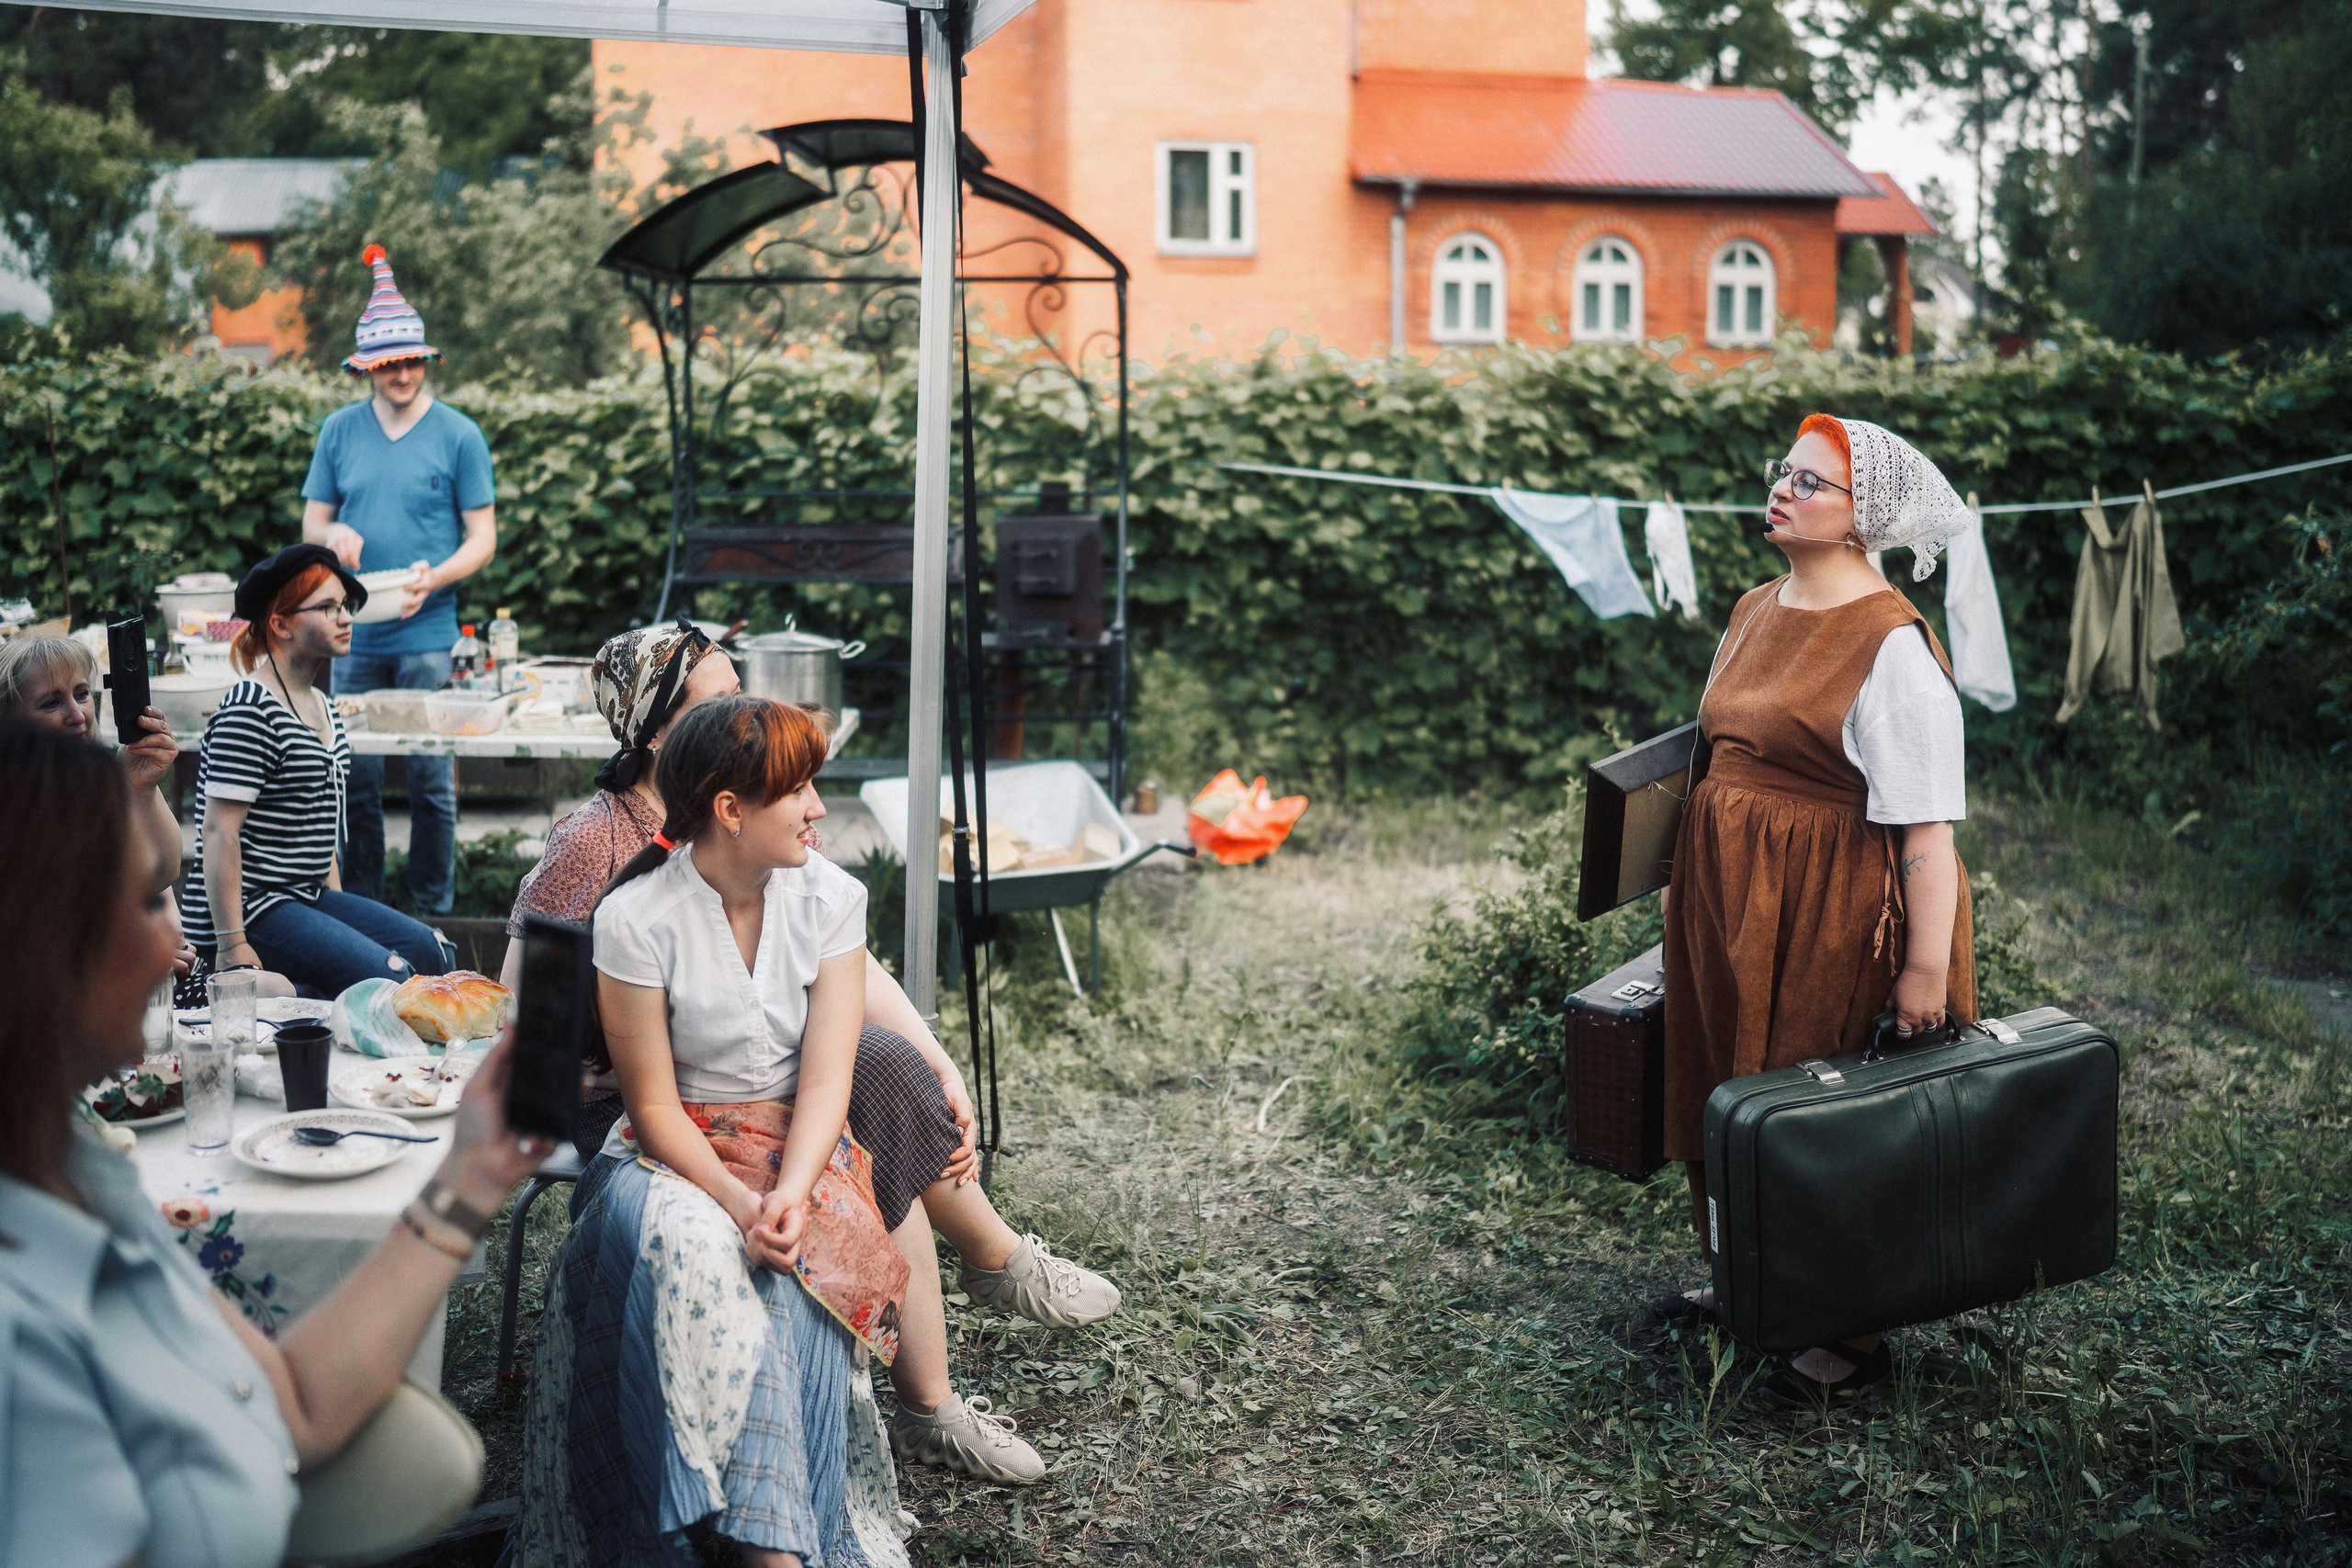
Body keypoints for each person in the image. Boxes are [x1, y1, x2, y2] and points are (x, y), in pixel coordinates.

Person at [503, 636, 1116, 1485]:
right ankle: (957, 1336)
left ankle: (962, 1330)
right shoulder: (602, 843)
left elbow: (845, 963)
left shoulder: (775, 827)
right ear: (661, 738)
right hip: (630, 1096)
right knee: (867, 1105)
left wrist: (942, 1062)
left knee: (888, 1073)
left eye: (737, 692)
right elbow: (524, 998)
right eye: (707, 703)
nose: (735, 710)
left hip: (770, 1073)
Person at [0, 717, 552, 1567]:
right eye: (151, 900)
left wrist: (469, 1176)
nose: (176, 948)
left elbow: (294, 1405)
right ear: (40, 942)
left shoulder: (84, 1175)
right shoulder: (19, 1328)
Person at [509, 696, 915, 1566]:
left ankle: (760, 1541)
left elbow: (826, 1078)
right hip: (669, 1158)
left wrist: (789, 1196)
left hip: (798, 1151)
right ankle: (761, 1547)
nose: (818, 808)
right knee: (694, 1250)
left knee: (788, 1280)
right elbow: (651, 1108)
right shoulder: (635, 916)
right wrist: (736, 1200)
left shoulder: (833, 898)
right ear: (729, 809)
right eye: (797, 790)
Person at [1658, 412, 1978, 1407]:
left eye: (1808, 484)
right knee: (1726, 1075)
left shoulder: (1891, 648)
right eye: (1782, 474)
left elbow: (1926, 835)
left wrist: (1922, 976)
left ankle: (1849, 1331)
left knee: (1824, 1104)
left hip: (1834, 908)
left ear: (1860, 519)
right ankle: (1751, 1283)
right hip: (1732, 896)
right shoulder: (1755, 605)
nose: (1782, 491)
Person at [302, 243, 497, 917]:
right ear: (367, 368)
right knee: (351, 778)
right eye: (389, 364)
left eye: (412, 360)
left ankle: (433, 912)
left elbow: (483, 539)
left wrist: (435, 575)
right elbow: (312, 528)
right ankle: (362, 911)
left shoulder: (460, 435)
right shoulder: (338, 431)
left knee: (430, 779)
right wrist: (332, 537)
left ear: (426, 359)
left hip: (428, 632)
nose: (403, 373)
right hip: (350, 632)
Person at [179, 544, 450, 995]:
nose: (345, 617)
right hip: (251, 907)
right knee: (390, 982)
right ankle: (277, 1000)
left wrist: (337, 911)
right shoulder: (249, 709)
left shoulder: (323, 704)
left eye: (345, 606)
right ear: (280, 623)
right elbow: (219, 831)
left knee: (433, 953)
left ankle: (307, 994)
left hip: (303, 896)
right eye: (327, 607)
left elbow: (318, 820)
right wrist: (231, 945)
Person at [0, 634, 298, 1006]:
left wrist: (139, 790)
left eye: (81, 694)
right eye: (51, 703)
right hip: (74, 995)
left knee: (279, 992)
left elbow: (164, 874)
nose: (77, 715)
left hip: (158, 975)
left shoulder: (103, 780)